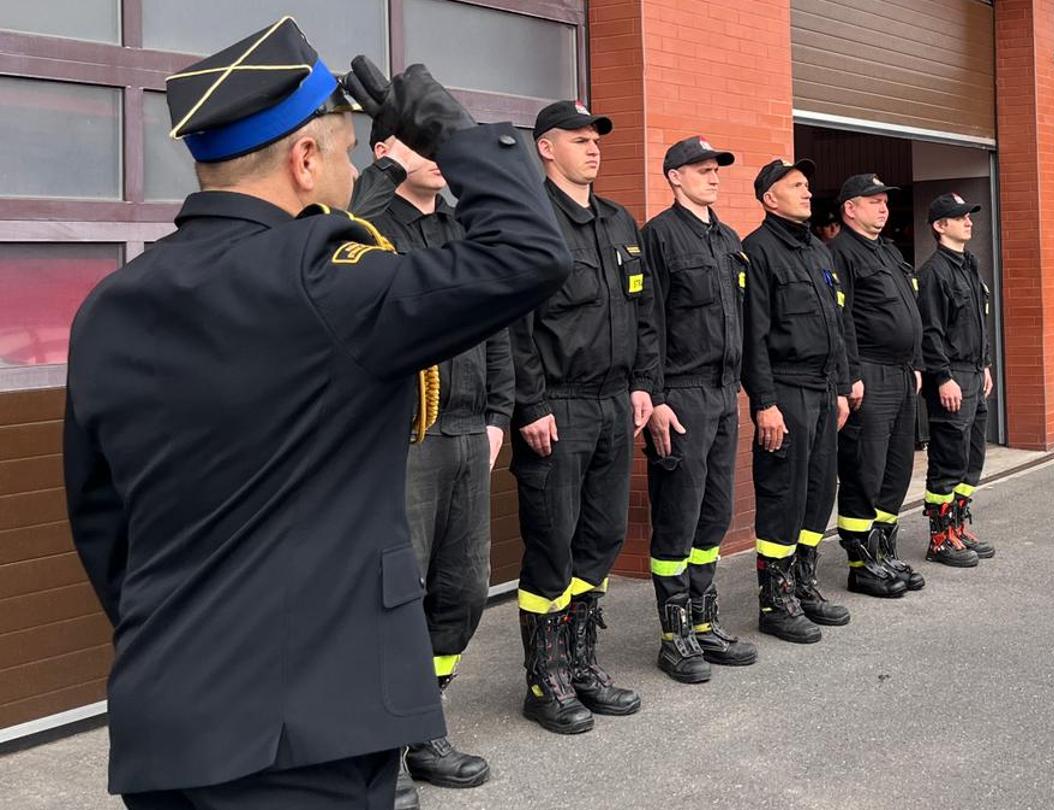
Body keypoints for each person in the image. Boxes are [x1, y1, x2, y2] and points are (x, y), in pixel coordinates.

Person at [64, 19, 569, 808]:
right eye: (339, 152)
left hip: (168, 722)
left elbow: (102, 522)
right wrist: (453, 134)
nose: (346, 170)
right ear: (304, 159)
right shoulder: (332, 284)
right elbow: (532, 254)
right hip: (310, 730)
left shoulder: (110, 305)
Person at [350, 123, 504, 799]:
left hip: (471, 432)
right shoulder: (368, 227)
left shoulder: (461, 229)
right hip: (402, 439)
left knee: (464, 590)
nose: (443, 159)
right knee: (393, 595)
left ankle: (423, 720)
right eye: (424, 145)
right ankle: (375, 749)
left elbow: (495, 324)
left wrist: (499, 416)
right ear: (386, 152)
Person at [508, 100, 651, 734]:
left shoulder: (620, 221)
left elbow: (646, 313)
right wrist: (530, 404)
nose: (592, 148)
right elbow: (514, 324)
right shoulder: (528, 221)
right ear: (545, 147)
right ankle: (547, 679)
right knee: (552, 541)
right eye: (577, 138)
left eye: (596, 138)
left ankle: (583, 661)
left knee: (601, 535)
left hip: (615, 404)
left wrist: (644, 386)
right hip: (558, 407)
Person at [634, 135, 760, 684]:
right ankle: (674, 630)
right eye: (701, 169)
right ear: (674, 177)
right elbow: (649, 325)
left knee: (715, 512)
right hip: (681, 393)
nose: (713, 177)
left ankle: (705, 618)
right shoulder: (658, 237)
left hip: (723, 391)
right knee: (679, 514)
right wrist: (656, 399)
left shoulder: (728, 238)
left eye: (716, 170)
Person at [742, 158, 854, 644]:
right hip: (786, 389)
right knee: (783, 494)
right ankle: (776, 599)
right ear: (770, 198)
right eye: (797, 186)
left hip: (825, 389)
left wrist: (844, 386)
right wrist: (764, 402)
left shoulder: (817, 250)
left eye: (808, 185)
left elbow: (838, 321)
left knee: (817, 491)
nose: (808, 192)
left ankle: (805, 583)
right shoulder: (758, 251)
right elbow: (754, 336)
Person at [830, 174, 929, 596]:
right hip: (869, 374)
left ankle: (884, 552)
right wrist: (850, 374)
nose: (883, 207)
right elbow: (841, 319)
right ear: (850, 208)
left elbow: (910, 309)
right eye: (873, 201)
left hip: (903, 372)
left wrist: (919, 363)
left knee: (896, 468)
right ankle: (861, 563)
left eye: (885, 201)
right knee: (864, 468)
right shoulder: (841, 254)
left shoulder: (888, 252)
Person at [916, 193, 997, 568]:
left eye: (969, 216)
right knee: (948, 458)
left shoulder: (969, 264)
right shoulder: (933, 273)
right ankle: (939, 537)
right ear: (939, 226)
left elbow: (977, 322)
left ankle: (959, 526)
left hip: (974, 372)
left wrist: (985, 365)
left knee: (971, 458)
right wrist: (943, 377)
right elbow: (930, 331)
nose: (968, 221)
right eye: (959, 217)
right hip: (951, 376)